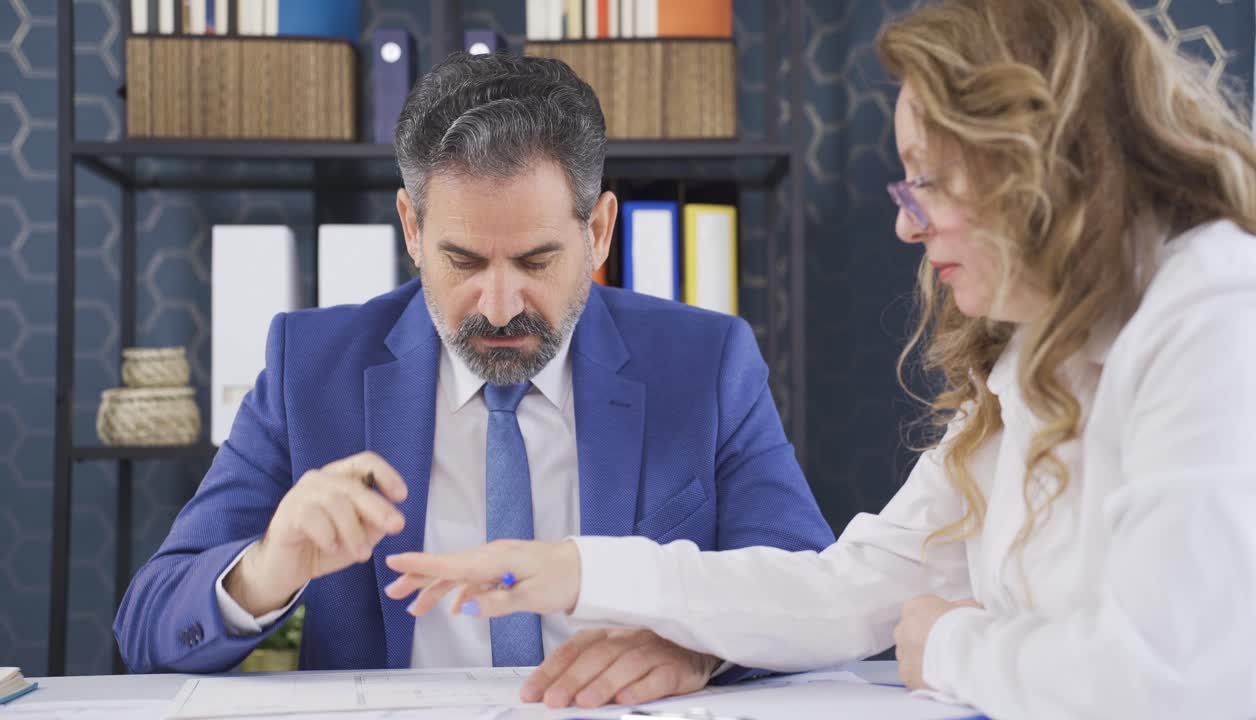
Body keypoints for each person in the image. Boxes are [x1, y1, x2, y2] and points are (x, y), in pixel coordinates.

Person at [382, 1, 1256, 717]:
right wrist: (584, 568)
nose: (905, 221)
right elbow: (853, 589)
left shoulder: (1216, 312)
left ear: (1033, 164)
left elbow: (1183, 683)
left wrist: (952, 650)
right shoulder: (1037, 356)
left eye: (926, 180)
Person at [112, 53, 835, 707]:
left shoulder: (706, 362)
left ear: (600, 231)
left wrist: (699, 646)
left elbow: (816, 596)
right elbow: (147, 625)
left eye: (535, 261)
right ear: (412, 228)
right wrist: (267, 567)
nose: (498, 306)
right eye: (462, 262)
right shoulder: (311, 368)